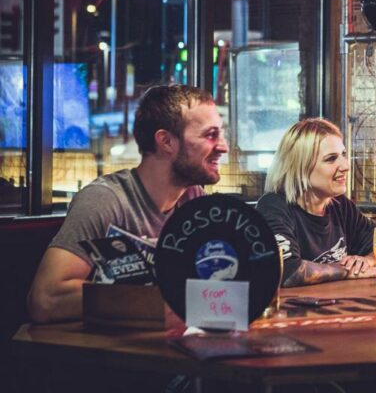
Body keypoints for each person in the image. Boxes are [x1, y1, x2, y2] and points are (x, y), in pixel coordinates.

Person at [27, 85, 228, 323]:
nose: (223, 146)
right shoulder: (105, 200)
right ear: (166, 142)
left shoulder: (194, 201)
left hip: (162, 349)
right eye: (210, 135)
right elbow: (45, 299)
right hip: (101, 355)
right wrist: (158, 300)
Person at [257, 118, 376, 287]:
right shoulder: (274, 206)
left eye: (343, 155)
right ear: (301, 166)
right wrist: (348, 270)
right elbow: (287, 271)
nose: (345, 165)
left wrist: (366, 261)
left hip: (338, 309)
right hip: (295, 312)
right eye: (331, 159)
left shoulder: (340, 205)